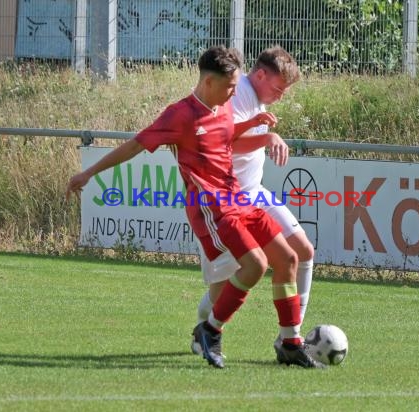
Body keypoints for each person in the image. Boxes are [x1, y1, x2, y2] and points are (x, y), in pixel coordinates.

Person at [66, 45, 323, 369]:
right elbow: (134, 145)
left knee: (288, 257)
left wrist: (254, 123)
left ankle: (290, 343)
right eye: (230, 86)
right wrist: (89, 172)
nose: (235, 92)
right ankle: (210, 330)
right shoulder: (180, 115)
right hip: (211, 208)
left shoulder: (223, 105)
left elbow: (226, 136)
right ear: (208, 82)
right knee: (253, 266)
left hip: (239, 197)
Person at [190, 46, 316, 361]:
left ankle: (291, 337)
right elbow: (225, 143)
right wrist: (267, 138)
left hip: (253, 193)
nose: (281, 96)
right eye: (277, 88)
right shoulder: (236, 93)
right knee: (223, 287)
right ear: (259, 75)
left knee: (301, 252)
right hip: (224, 201)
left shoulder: (257, 97)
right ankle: (203, 328)